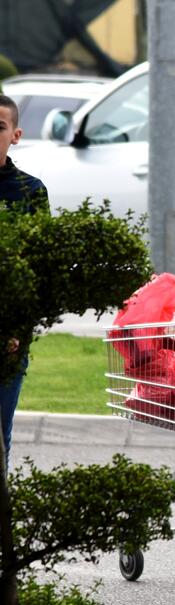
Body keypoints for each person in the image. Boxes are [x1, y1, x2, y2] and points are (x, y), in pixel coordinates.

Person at [0, 95, 48, 467]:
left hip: (10, 336)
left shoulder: (31, 191)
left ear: (15, 134)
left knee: (0, 436)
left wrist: (17, 329)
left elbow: (39, 268)